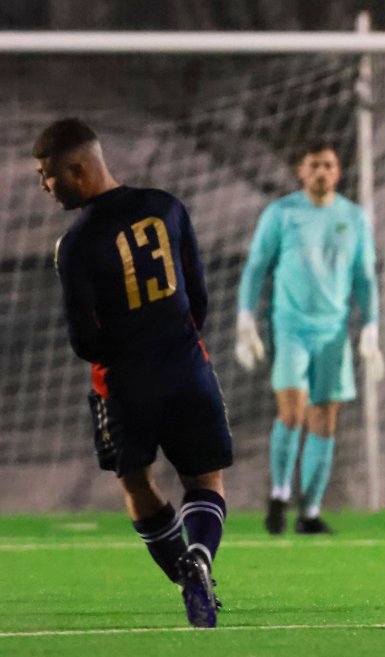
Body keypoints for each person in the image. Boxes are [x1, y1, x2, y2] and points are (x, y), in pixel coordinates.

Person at [35, 118, 231, 628]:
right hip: (189, 367)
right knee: (205, 478)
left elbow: (83, 340)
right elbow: (199, 295)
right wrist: (174, 340)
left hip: (125, 384)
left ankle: (186, 579)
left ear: (78, 170)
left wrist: (125, 352)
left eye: (48, 175)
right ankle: (202, 559)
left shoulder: (76, 244)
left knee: (137, 484)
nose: (44, 186)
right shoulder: (168, 207)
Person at [235, 141, 384, 536]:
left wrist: (371, 325)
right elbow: (256, 266)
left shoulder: (353, 217)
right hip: (291, 327)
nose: (321, 171)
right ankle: (280, 493)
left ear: (338, 173)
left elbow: (365, 276)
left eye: (329, 165)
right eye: (314, 164)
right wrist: (245, 318)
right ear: (301, 171)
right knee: (292, 411)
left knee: (325, 418)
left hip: (333, 331)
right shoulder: (282, 214)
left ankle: (311, 512)